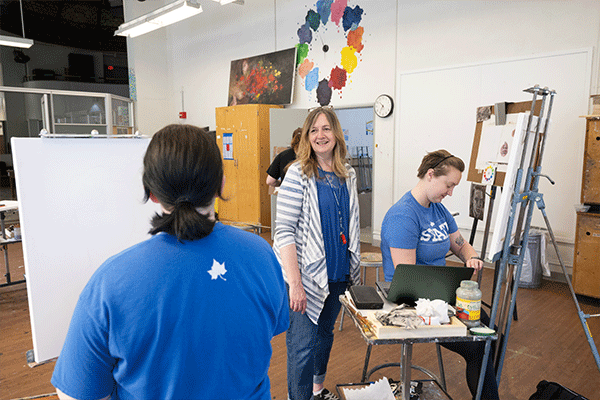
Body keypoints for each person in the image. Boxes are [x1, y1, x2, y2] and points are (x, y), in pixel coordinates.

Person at [51, 124, 289, 400]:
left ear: (151, 192)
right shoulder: (262, 256)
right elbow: (268, 330)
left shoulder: (111, 281)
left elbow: (75, 394)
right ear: (220, 183)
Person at [380, 149, 500, 400]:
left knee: (490, 331)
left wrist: (471, 257)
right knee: (478, 346)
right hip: (413, 302)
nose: (450, 192)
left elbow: (460, 243)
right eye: (449, 185)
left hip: (440, 294)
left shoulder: (438, 210)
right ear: (430, 175)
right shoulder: (403, 215)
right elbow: (409, 279)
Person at [272, 107, 361, 400]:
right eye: (314, 130)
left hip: (338, 273)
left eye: (326, 129)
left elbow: (351, 224)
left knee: (324, 337)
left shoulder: (347, 174)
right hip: (306, 276)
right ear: (307, 138)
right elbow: (283, 231)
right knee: (302, 346)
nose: (320, 136)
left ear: (336, 134)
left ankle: (316, 391)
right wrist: (295, 284)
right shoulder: (297, 173)